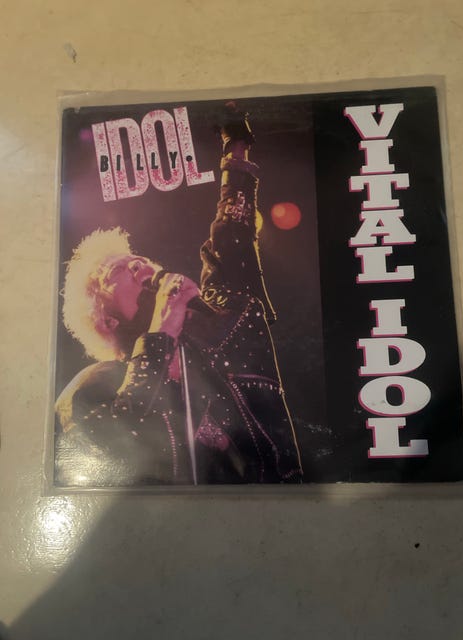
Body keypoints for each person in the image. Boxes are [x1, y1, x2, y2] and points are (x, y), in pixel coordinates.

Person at [55, 104, 303, 486]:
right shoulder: (96, 384)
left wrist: (236, 146)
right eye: (117, 271)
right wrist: (161, 335)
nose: (138, 264)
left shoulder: (224, 321)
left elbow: (233, 238)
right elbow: (105, 448)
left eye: (138, 259)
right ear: (107, 320)